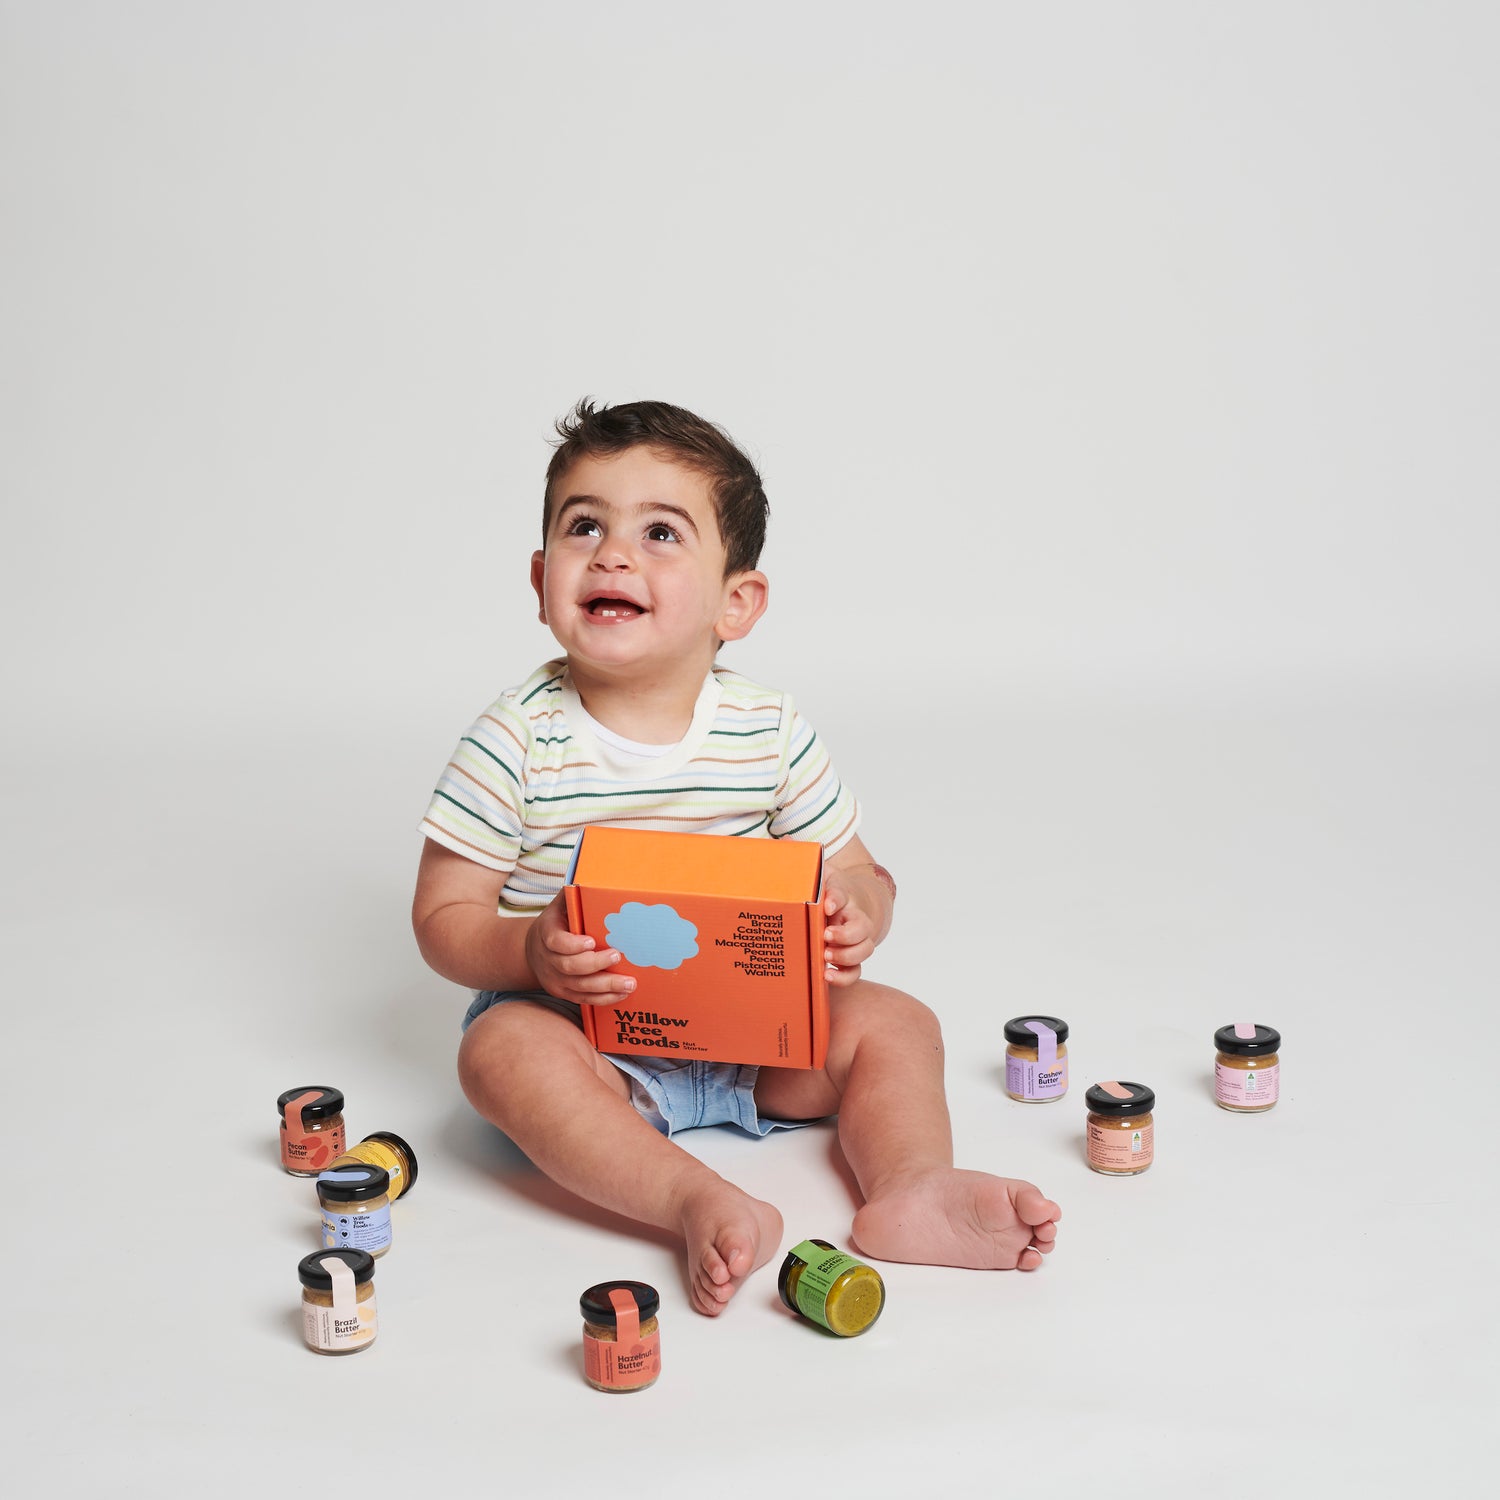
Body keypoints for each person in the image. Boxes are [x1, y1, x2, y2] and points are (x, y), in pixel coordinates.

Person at [412, 399, 1061, 1315]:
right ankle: (691, 1197)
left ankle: (911, 1185)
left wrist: (859, 914)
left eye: (661, 532)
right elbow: (442, 921)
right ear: (539, 576)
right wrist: (528, 955)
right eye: (584, 525)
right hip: (592, 1040)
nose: (613, 554)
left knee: (899, 1023)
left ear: (737, 601)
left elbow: (859, 871)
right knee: (500, 1055)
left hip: (761, 1035)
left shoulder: (769, 729)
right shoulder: (515, 741)